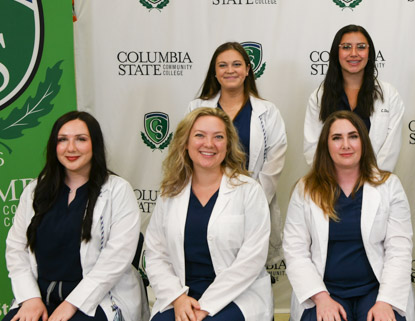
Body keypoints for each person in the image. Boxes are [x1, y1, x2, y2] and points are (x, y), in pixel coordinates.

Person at [4, 111, 146, 321]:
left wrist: (71, 305)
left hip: (96, 298)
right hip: (40, 296)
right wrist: (30, 298)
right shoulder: (35, 191)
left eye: (81, 139)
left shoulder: (117, 190)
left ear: (94, 144)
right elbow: (16, 248)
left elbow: (117, 258)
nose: (71, 148)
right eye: (63, 140)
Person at [285, 111, 415, 321]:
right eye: (337, 138)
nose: (346, 145)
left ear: (363, 142)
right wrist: (321, 299)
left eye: (353, 136)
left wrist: (385, 301)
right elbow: (295, 251)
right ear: (325, 146)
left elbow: (399, 249)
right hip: (325, 290)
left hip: (376, 290)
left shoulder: (389, 185)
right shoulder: (306, 189)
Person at [146, 107, 272, 321]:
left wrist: (206, 306)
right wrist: (177, 298)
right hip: (182, 297)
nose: (209, 144)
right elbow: (155, 254)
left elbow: (251, 260)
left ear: (228, 145)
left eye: (218, 137)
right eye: (199, 135)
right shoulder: (169, 193)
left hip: (235, 297)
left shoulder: (249, 190)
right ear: (185, 143)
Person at [187, 41, 287, 265]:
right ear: (214, 72)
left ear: (248, 69)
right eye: (222, 65)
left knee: (246, 265)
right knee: (205, 261)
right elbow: (186, 154)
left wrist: (254, 203)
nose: (230, 70)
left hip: (251, 203)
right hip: (205, 199)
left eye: (236, 64)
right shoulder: (196, 109)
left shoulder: (267, 112)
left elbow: (274, 162)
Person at [303, 25, 404, 172]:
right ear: (336, 52)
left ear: (370, 52)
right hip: (331, 184)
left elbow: (390, 150)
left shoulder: (389, 95)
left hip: (376, 183)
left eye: (361, 47)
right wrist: (336, 180)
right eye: (346, 47)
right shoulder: (319, 97)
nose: (354, 53)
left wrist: (372, 180)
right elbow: (313, 147)